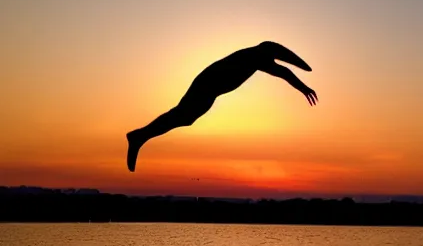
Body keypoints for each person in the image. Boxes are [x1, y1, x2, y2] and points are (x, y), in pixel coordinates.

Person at [126, 41, 318, 172]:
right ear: (267, 53)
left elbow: (282, 69)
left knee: (185, 118)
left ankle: (140, 136)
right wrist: (304, 88)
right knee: (182, 116)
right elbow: (283, 71)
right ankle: (139, 136)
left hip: (210, 89)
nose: (271, 62)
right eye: (272, 57)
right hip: (206, 85)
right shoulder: (254, 56)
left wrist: (303, 87)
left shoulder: (255, 56)